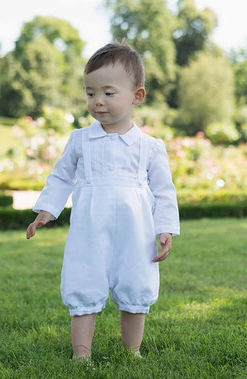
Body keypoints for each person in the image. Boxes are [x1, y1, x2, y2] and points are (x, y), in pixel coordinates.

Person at [26, 40, 180, 362]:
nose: (98, 102)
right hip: (89, 229)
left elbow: (164, 191)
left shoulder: (150, 147)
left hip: (135, 231)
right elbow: (61, 177)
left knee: (136, 284)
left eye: (108, 93)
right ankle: (81, 354)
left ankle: (132, 351)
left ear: (137, 96)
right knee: (84, 279)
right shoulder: (81, 140)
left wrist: (164, 229)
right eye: (90, 93)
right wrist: (46, 209)